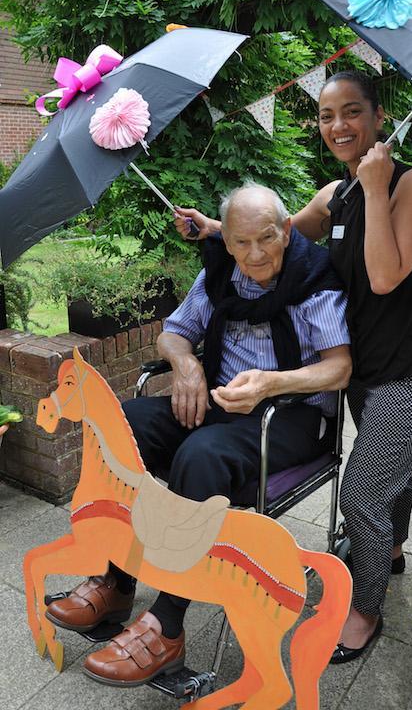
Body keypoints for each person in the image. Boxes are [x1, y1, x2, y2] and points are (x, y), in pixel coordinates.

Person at [174, 70, 412, 663]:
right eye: (327, 115)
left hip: (408, 368)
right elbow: (279, 236)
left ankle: (365, 608)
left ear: (380, 118)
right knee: (389, 472)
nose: (338, 126)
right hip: (360, 367)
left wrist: (377, 188)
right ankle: (394, 548)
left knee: (363, 493)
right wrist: (218, 229)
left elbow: (384, 276)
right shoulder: (337, 194)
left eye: (352, 112)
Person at [47, 183, 351, 686]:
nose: (255, 255)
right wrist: (185, 363)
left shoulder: (312, 279)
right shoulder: (219, 272)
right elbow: (173, 331)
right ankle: (117, 578)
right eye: (242, 242)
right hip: (217, 401)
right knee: (119, 426)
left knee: (200, 457)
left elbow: (338, 369)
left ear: (288, 230)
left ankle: (166, 627)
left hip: (288, 415)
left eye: (267, 239)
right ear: (225, 241)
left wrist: (271, 384)